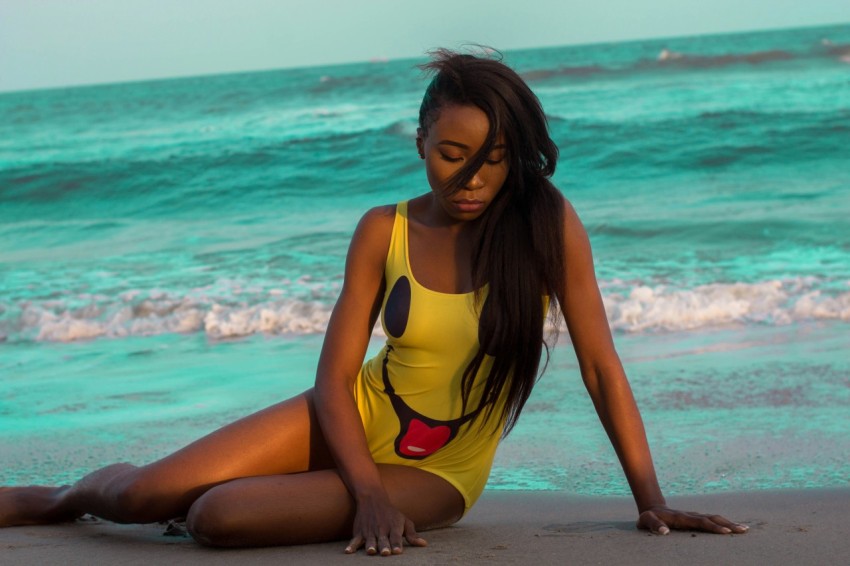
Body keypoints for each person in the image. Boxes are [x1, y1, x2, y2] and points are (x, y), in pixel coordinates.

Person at [0, 49, 748, 554]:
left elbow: (601, 368)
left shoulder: (546, 224)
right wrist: (363, 491)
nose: (471, 180)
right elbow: (333, 380)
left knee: (215, 518)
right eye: (451, 156)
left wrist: (652, 499)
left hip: (440, 470)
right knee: (142, 495)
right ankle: (56, 498)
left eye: (490, 161)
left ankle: (263, 495)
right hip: (351, 414)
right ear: (420, 142)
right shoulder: (381, 229)